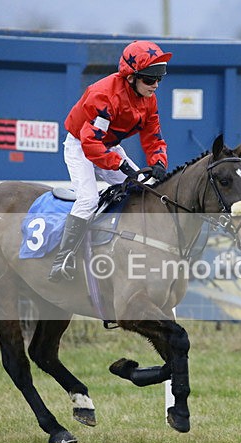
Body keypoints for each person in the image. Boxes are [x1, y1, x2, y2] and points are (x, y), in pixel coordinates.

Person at [49, 40, 172, 282]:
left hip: (108, 146)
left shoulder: (149, 99)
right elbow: (90, 144)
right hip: (80, 146)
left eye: (160, 78)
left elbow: (153, 137)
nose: (155, 85)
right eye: (149, 79)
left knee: (145, 188)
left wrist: (159, 162)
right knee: (89, 199)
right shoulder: (104, 95)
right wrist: (119, 164)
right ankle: (62, 259)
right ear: (130, 77)